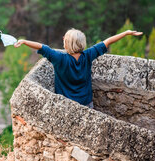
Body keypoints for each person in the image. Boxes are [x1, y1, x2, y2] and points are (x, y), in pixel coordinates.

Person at [14, 28, 143, 108]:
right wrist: (126, 33)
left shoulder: (59, 58)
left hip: (65, 105)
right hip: (86, 104)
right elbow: (107, 41)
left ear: (67, 43)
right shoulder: (88, 55)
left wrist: (24, 41)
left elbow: (42, 47)